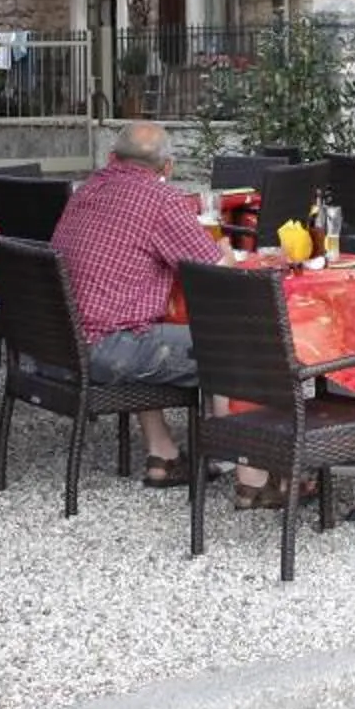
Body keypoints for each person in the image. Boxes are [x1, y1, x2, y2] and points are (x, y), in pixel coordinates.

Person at [49, 120, 220, 488]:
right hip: (107, 350)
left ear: (112, 157)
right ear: (168, 168)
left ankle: (164, 456)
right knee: (233, 347)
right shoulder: (161, 201)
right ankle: (243, 466)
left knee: (141, 321)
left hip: (58, 345)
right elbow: (215, 271)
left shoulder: (85, 191)